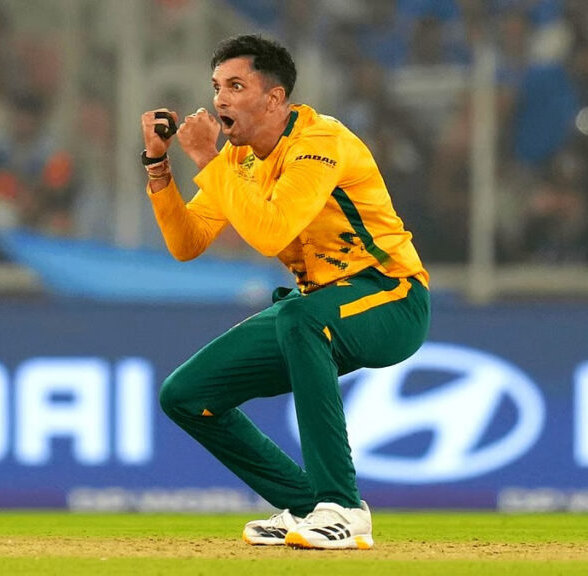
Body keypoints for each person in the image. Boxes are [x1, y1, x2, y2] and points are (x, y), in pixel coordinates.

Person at [143, 35, 430, 550]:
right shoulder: (240, 160)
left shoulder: (320, 144)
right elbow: (187, 243)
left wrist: (208, 157)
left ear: (274, 99)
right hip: (318, 306)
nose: (220, 99)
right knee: (185, 397)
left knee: (299, 318)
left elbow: (271, 232)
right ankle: (306, 506)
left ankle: (341, 507)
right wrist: (159, 166)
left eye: (236, 86)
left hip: (392, 296)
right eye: (216, 87)